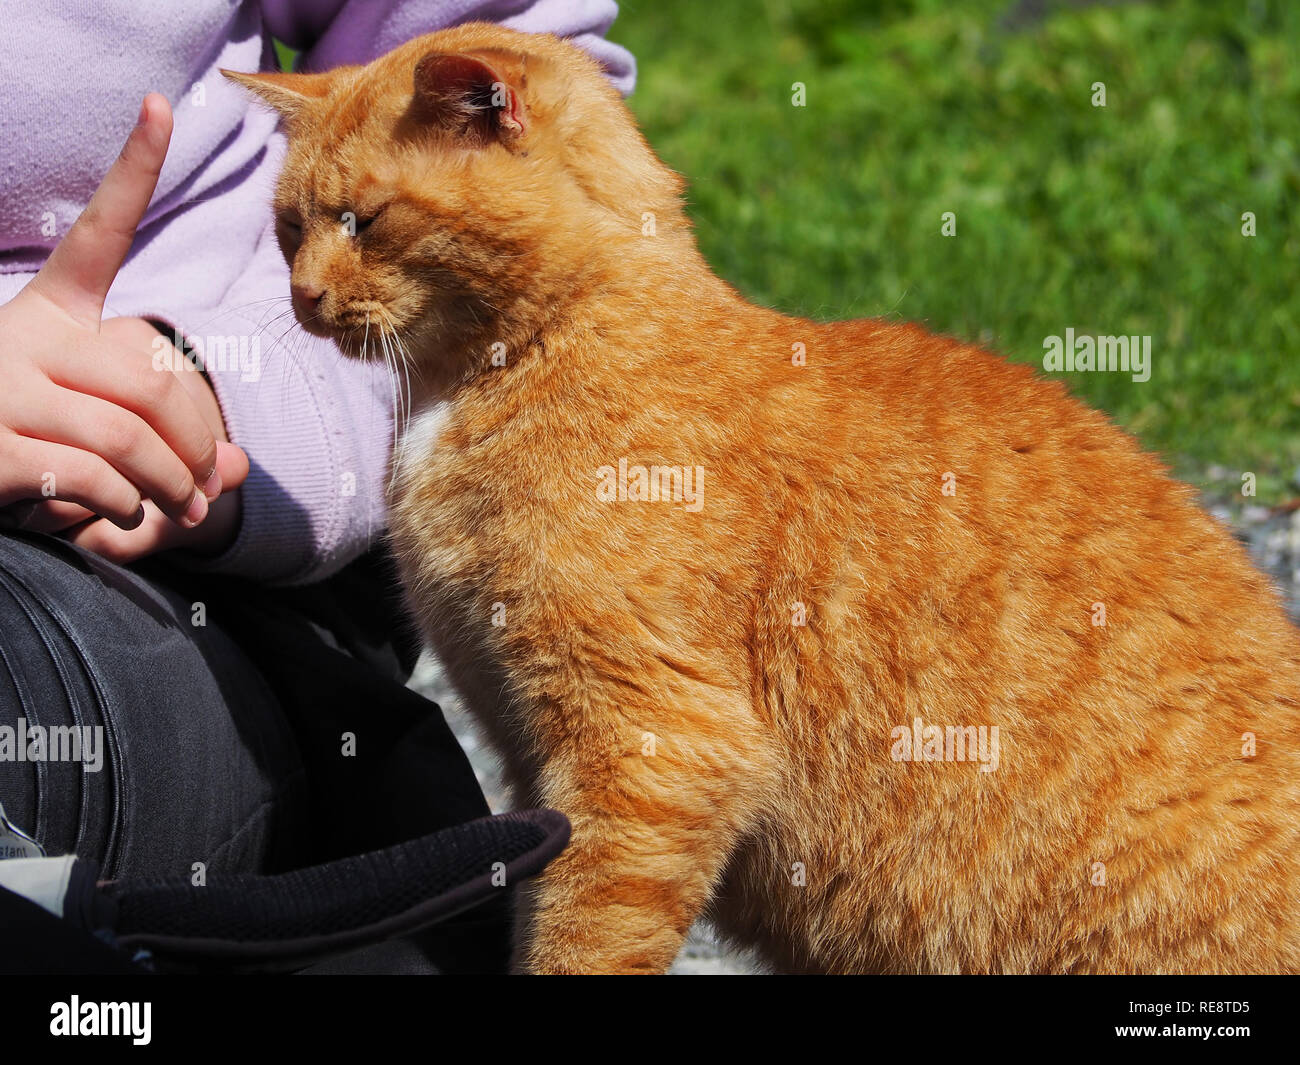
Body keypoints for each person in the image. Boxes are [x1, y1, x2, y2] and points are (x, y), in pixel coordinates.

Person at [0, 0, 634, 973]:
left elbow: (535, 103)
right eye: (300, 228)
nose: (316, 280)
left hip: (146, 547)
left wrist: (216, 386)